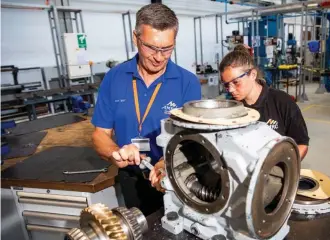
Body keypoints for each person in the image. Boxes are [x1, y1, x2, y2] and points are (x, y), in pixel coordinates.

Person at [91, 3, 201, 216]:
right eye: (151, 47)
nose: (159, 57)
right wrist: (115, 153)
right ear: (136, 38)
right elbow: (99, 135)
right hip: (130, 179)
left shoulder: (187, 82)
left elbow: (191, 139)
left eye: (167, 48)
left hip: (173, 178)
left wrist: (165, 164)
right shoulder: (114, 78)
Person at [219, 50, 309, 160]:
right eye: (227, 85)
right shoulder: (232, 107)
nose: (231, 90)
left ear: (252, 75)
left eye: (236, 82)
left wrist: (283, 169)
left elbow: (302, 144)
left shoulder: (282, 102)